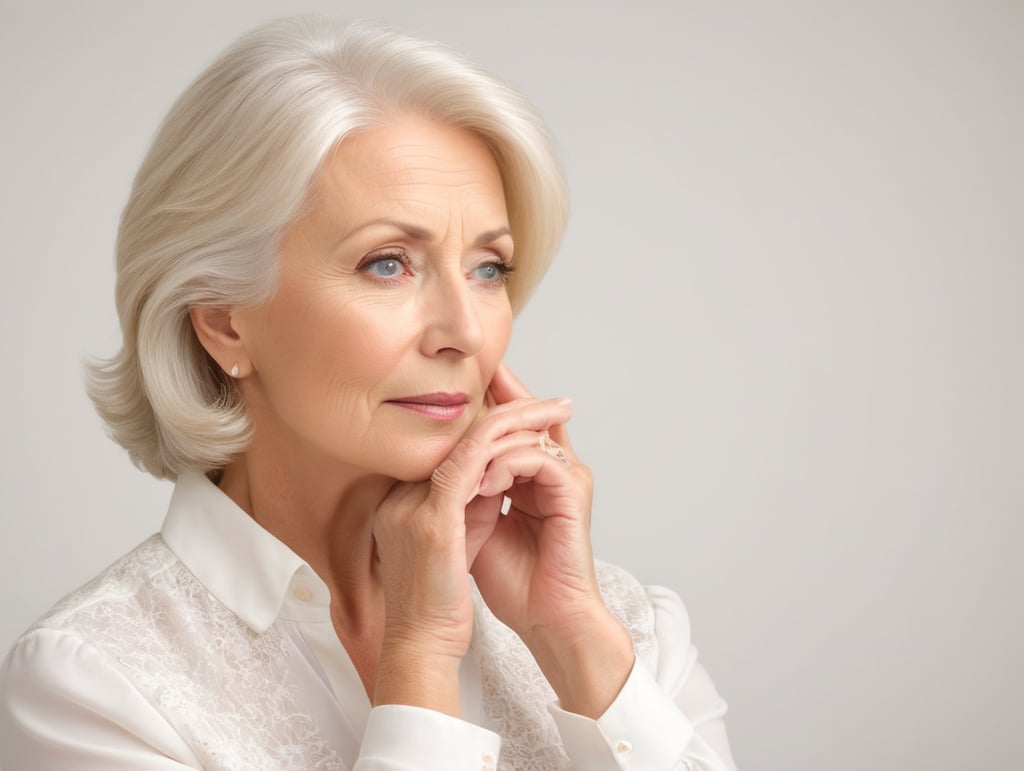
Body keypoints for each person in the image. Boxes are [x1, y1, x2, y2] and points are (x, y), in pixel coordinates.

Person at [0, 15, 737, 770]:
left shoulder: (627, 627)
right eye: (388, 263)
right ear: (225, 322)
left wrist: (573, 636)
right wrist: (418, 652)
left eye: (489, 268)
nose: (465, 332)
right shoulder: (93, 683)